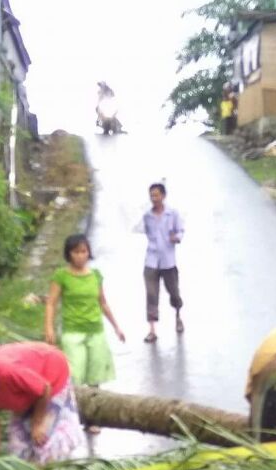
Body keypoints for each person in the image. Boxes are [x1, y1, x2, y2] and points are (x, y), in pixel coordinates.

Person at [0, 342, 83, 464]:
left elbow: (44, 389)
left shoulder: (6, 372)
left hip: (51, 375)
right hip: (27, 391)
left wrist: (37, 423)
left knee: (44, 444)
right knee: (18, 451)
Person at [45, 233, 124, 433]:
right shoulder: (61, 276)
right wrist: (49, 327)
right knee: (75, 375)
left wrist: (116, 326)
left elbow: (102, 302)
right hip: (73, 332)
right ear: (69, 254)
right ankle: (71, 417)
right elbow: (51, 303)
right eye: (76, 252)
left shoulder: (95, 275)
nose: (81, 256)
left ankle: (92, 418)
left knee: (95, 376)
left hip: (95, 330)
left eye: (84, 251)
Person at [133, 182, 184, 343]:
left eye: (156, 195)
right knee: (151, 294)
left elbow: (180, 230)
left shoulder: (172, 214)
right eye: (151, 195)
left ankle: (178, 316)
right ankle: (152, 330)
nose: (153, 198)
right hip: (151, 260)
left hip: (168, 261)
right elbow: (144, 230)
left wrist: (176, 238)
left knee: (174, 293)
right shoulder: (147, 216)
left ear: (163, 196)